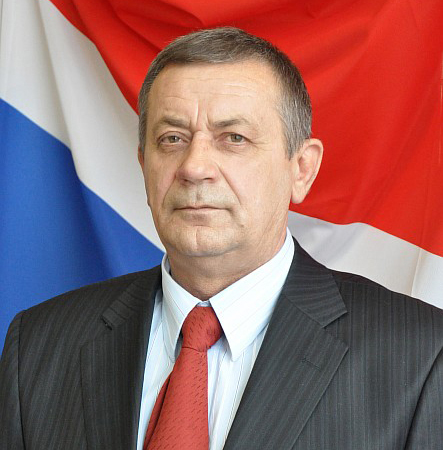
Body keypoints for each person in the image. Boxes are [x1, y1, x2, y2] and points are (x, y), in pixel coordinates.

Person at [1, 27, 442, 450]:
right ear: (143, 163)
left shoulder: (419, 357)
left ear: (301, 169)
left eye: (234, 138)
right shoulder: (37, 347)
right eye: (172, 138)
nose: (194, 167)